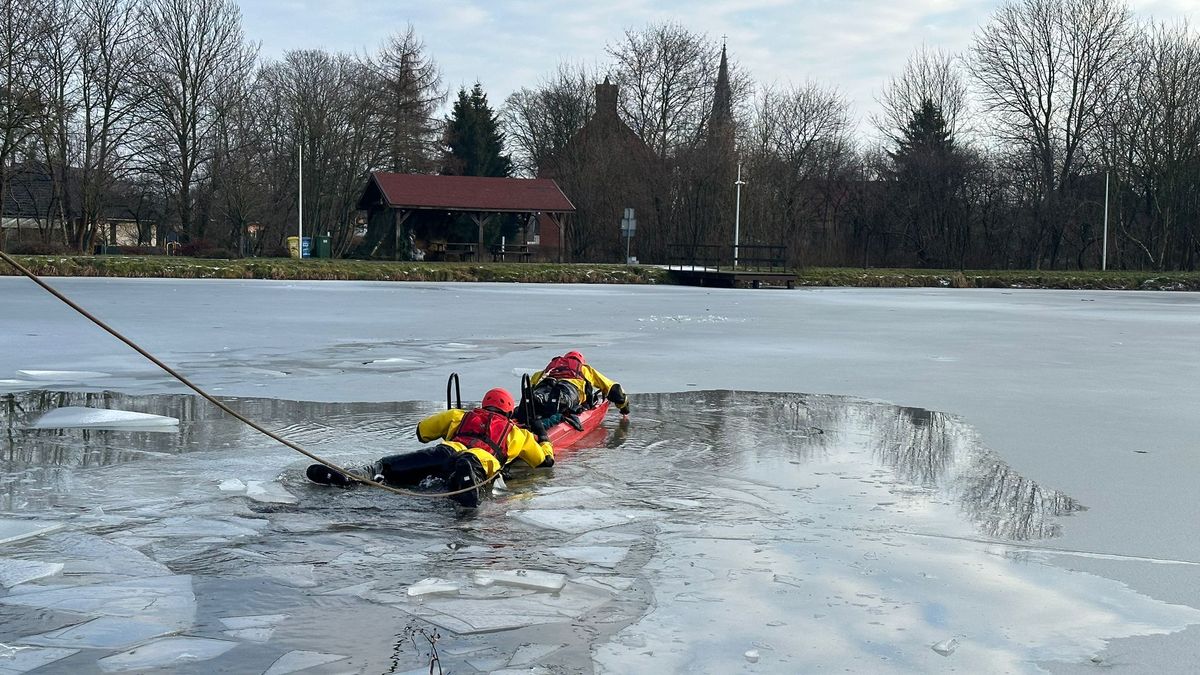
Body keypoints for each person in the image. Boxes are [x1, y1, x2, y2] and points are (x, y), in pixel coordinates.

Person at [306, 387, 554, 508]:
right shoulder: (517, 433)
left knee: (386, 468)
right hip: (479, 459)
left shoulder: (461, 415)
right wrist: (543, 436)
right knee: (469, 469)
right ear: (509, 411)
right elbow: (544, 462)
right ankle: (464, 478)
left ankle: (360, 474)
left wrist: (449, 423)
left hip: (444, 452)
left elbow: (422, 432)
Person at [519, 351, 629, 437]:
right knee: (565, 398)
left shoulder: (552, 367)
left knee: (540, 395)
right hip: (569, 387)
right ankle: (558, 400)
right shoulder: (584, 369)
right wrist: (624, 408)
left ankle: (540, 398)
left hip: (545, 383)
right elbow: (614, 389)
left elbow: (533, 382)